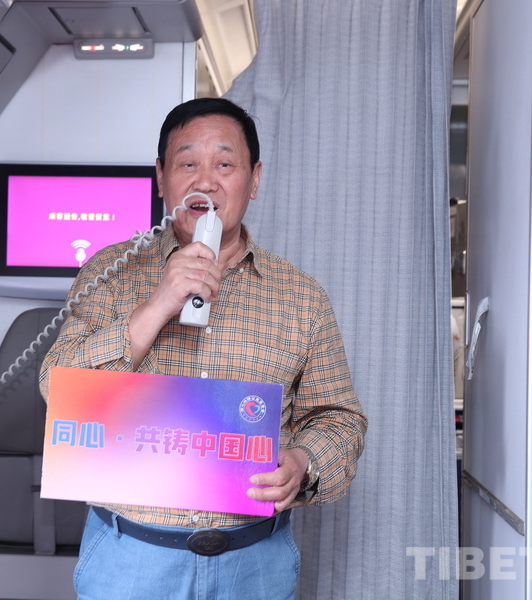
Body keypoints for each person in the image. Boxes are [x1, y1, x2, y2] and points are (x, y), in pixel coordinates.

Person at [40, 97, 367, 600]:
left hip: (255, 563)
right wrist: (157, 304)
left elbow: (339, 419)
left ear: (254, 180)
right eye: (188, 163)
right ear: (161, 178)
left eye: (225, 165)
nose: (206, 182)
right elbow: (58, 389)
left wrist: (304, 461)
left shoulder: (302, 297)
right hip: (130, 560)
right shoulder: (110, 273)